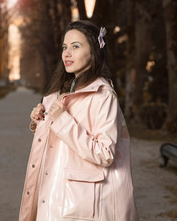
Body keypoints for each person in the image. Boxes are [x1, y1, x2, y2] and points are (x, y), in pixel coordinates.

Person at [19, 20, 139, 221]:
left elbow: (105, 153)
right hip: (53, 193)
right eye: (65, 47)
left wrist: (61, 120)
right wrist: (41, 120)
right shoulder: (64, 91)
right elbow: (62, 143)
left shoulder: (103, 95)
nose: (67, 53)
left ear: (94, 51)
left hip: (79, 203)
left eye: (76, 46)